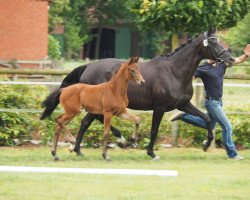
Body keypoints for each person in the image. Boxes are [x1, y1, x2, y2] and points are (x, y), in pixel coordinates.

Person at [171, 44, 250, 160]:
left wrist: (246, 55)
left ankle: (183, 116)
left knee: (208, 124)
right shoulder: (202, 68)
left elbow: (238, 60)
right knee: (227, 126)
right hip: (212, 103)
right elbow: (188, 78)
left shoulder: (222, 64)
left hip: (218, 102)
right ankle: (233, 155)